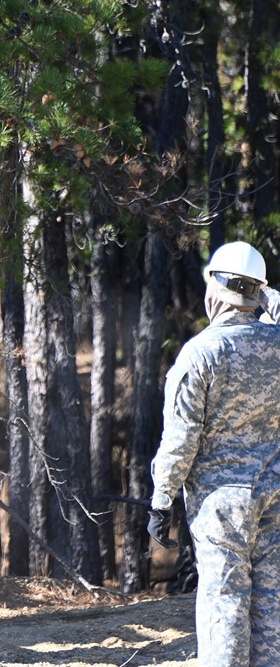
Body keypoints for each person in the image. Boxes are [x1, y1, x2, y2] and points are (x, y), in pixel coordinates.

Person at [149, 240, 280, 666]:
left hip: (221, 503)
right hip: (275, 497)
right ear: (257, 292)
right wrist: (268, 297)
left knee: (225, 604)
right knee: (270, 607)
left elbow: (180, 440)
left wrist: (161, 498)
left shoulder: (201, 352)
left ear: (214, 291)